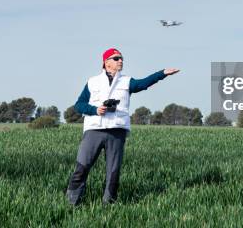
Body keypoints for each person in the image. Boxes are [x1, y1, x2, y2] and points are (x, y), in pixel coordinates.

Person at [66, 48, 179, 206]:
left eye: (121, 58)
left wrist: (162, 73)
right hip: (94, 130)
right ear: (106, 63)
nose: (121, 61)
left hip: (117, 131)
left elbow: (143, 83)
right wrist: (95, 110)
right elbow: (79, 105)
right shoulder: (92, 82)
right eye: (116, 58)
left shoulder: (127, 81)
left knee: (113, 172)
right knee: (82, 167)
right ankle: (72, 204)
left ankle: (109, 205)